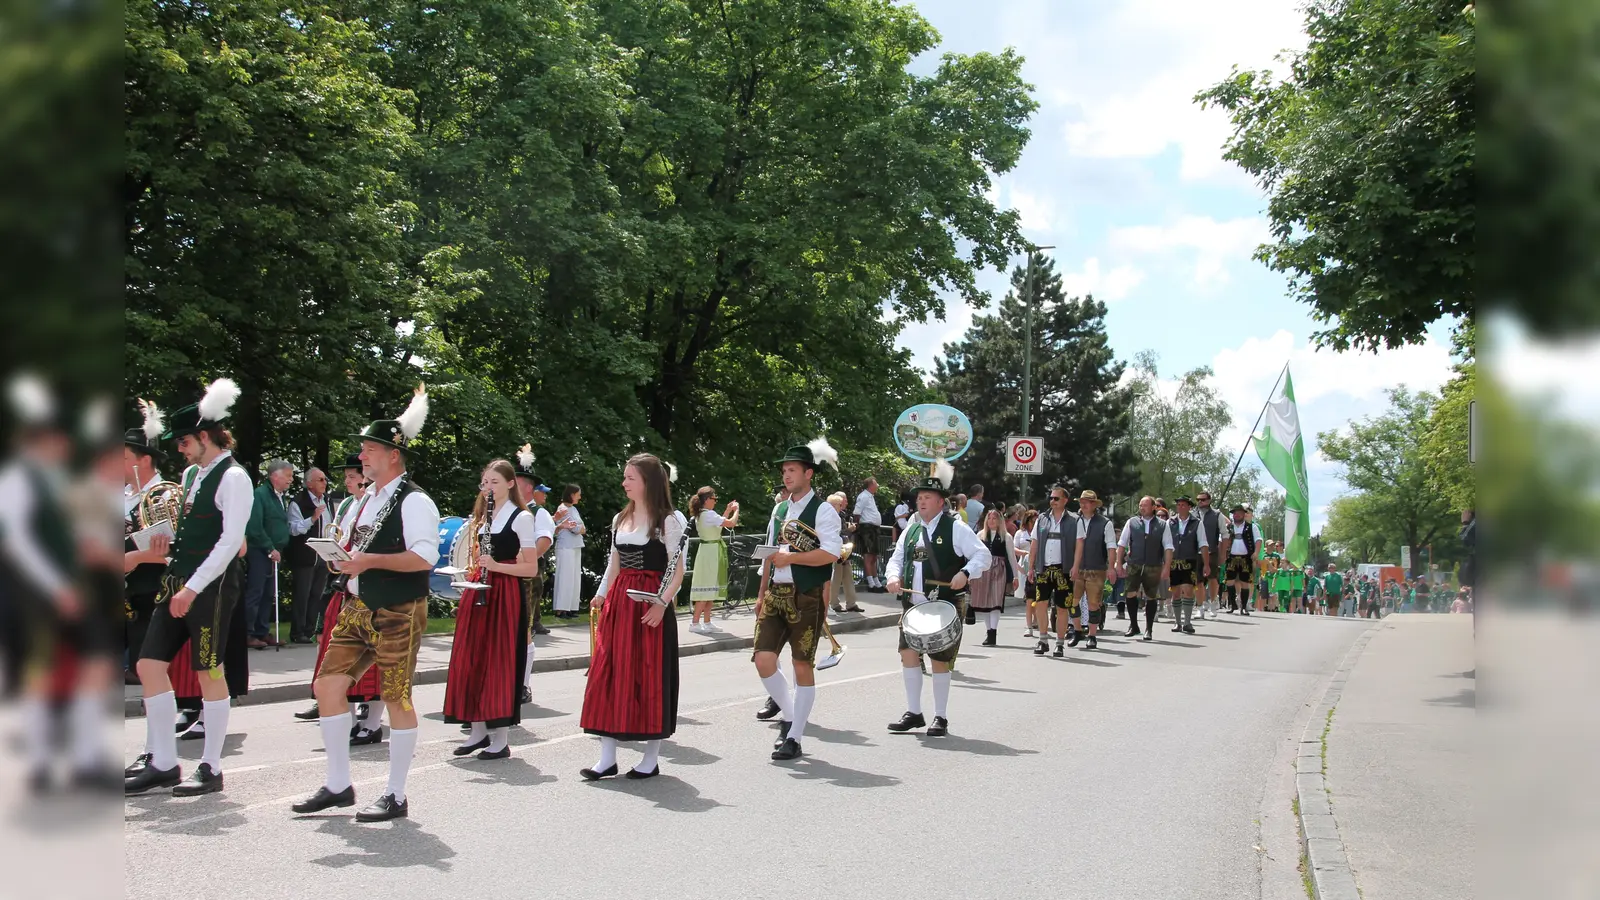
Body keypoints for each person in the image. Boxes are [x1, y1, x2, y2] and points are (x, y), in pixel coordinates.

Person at [292, 386, 440, 822]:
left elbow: (425, 557)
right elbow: (356, 546)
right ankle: (339, 784)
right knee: (328, 686)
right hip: (358, 605)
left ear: (393, 454)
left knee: (396, 697)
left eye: (370, 449)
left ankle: (396, 793)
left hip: (398, 608)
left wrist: (369, 560)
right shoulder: (367, 498)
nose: (362, 456)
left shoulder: (414, 499)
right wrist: (337, 551)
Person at [125, 378, 250, 797]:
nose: (179, 449)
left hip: (211, 587)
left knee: (208, 671)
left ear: (203, 436)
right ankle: (162, 761)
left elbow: (231, 542)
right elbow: (194, 534)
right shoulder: (195, 473)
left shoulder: (235, 478)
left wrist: (193, 588)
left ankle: (211, 767)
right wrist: (163, 545)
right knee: (148, 665)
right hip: (178, 580)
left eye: (183, 442)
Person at [578, 454, 688, 779]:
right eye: (625, 477)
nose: (624, 483)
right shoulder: (619, 519)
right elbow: (614, 566)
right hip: (619, 605)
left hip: (649, 604)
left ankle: (650, 759)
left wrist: (661, 604)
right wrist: (601, 593)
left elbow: (676, 570)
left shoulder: (668, 521)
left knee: (649, 675)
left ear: (648, 482)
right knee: (608, 675)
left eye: (630, 478)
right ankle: (607, 757)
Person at [443, 460, 542, 760]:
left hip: (504, 593)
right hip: (480, 591)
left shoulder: (521, 518)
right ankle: (477, 731)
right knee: (473, 657)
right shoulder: (485, 517)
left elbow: (530, 567)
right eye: (485, 482)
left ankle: (500, 737)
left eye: (494, 482)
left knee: (499, 661)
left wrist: (496, 565)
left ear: (510, 484)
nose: (488, 488)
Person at [751, 440, 842, 762]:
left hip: (806, 596)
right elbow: (769, 553)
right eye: (784, 470)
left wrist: (792, 558)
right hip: (776, 593)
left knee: (801, 663)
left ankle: (795, 736)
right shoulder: (779, 509)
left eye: (792, 470)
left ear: (809, 473)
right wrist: (761, 593)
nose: (786, 475)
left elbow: (830, 553)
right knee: (763, 659)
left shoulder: (824, 510)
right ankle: (789, 716)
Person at [884, 466, 990, 736]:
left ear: (941, 502)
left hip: (944, 603)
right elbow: (897, 558)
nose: (921, 501)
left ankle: (940, 717)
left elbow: (983, 556)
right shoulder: (911, 527)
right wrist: (893, 577)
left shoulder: (956, 528)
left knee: (939, 660)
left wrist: (965, 573)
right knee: (908, 655)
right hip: (913, 604)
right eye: (919, 497)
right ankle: (913, 712)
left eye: (927, 497)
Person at [292, 454, 383, 743]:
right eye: (347, 477)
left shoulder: (382, 503)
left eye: (352, 476)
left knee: (375, 659)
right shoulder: (349, 504)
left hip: (373, 590)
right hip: (346, 585)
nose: (348, 481)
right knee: (334, 648)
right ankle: (344, 711)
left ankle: (372, 721)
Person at [123, 402, 169, 683]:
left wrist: (135, 558)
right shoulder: (121, 494)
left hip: (151, 590)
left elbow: (174, 555)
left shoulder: (163, 496)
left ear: (144, 460)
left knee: (145, 671)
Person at [513, 446, 558, 685]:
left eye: (515, 481)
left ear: (528, 486)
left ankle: (524, 684)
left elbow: (544, 541)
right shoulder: (506, 509)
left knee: (524, 630)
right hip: (505, 575)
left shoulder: (538, 512)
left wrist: (522, 559)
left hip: (527, 578)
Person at [242, 459, 292, 648]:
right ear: (274, 476)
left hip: (274, 552)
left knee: (268, 594)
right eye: (288, 476)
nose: (291, 480)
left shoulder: (280, 496)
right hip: (260, 551)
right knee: (256, 591)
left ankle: (261, 631)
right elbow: (254, 526)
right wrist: (269, 548)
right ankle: (247, 633)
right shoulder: (260, 495)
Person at [285, 467, 331, 645]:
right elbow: (293, 529)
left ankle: (309, 631)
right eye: (320, 480)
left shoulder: (326, 500)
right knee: (302, 595)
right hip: (305, 555)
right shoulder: (298, 502)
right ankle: (297, 632)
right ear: (309, 483)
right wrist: (312, 519)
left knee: (316, 594)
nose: (324, 483)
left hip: (323, 554)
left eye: (325, 479)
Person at [1116, 496, 1172, 642]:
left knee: (1151, 596)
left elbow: (1168, 547)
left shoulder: (1162, 525)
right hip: (1134, 564)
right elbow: (1122, 544)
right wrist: (1118, 563)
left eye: (1145, 505)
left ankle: (1149, 629)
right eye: (1140, 505)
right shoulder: (1132, 522)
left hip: (1153, 565)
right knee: (1130, 593)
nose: (1142, 508)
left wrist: (1166, 567)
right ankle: (1133, 625)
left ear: (1154, 507)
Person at [1030, 486, 1076, 656]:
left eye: (1056, 498)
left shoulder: (1073, 520)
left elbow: (1079, 545)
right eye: (1051, 498)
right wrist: (1031, 566)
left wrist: (1075, 566)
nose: (1053, 501)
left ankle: (1060, 643)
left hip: (1063, 569)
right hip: (1044, 567)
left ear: (1065, 500)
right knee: (1040, 604)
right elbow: (1034, 543)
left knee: (1062, 607)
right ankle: (1043, 640)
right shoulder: (1042, 518)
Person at [1068, 490, 1116, 650]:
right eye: (1081, 501)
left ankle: (1092, 635)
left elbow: (1111, 547)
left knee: (1093, 603)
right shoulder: (1074, 521)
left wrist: (1111, 568)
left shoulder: (1105, 523)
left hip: (1097, 568)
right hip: (1077, 568)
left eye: (1087, 502)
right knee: (1072, 601)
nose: (1083, 504)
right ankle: (1077, 630)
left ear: (1094, 504)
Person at [688, 486, 740, 632]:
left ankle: (706, 621)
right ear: (706, 500)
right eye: (713, 499)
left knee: (710, 587)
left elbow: (719, 524)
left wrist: (728, 510)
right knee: (705, 587)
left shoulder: (705, 514)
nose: (715, 501)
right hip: (709, 552)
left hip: (709, 550)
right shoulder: (708, 515)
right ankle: (695, 623)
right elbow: (730, 523)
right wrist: (736, 511)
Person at [969, 507, 1017, 646]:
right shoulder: (980, 535)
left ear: (999, 520)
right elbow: (974, 555)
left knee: (995, 601)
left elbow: (1011, 557)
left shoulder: (1006, 537)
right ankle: (988, 631)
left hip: (998, 570)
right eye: (989, 518)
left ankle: (993, 632)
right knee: (985, 602)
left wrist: (1015, 576)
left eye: (994, 518)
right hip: (983, 570)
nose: (991, 521)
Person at [1164, 497, 1210, 634]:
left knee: (1188, 590)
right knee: (1175, 592)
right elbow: (1165, 542)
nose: (1180, 507)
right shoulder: (1169, 522)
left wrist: (1206, 564)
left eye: (1183, 505)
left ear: (1189, 507)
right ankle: (1177, 622)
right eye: (1178, 505)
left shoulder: (1197, 523)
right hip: (1173, 560)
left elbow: (1203, 544)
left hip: (1189, 560)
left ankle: (1187, 622)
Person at [551, 484, 587, 620]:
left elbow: (582, 527)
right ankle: (561, 608)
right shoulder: (563, 508)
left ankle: (571, 607)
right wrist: (579, 528)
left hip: (576, 545)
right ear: (572, 494)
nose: (580, 497)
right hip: (565, 546)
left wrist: (580, 528)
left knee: (574, 578)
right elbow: (576, 528)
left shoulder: (574, 509)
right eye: (578, 494)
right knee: (565, 577)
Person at [827, 492, 866, 614]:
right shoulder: (831, 517)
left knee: (848, 577)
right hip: (837, 550)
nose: (844, 504)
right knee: (836, 577)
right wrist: (849, 530)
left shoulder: (841, 515)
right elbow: (836, 533)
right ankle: (833, 603)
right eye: (840, 503)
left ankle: (851, 603)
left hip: (844, 550)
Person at [1221, 504, 1261, 614]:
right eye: (1235, 513)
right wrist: (1223, 554)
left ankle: (1243, 607)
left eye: (1239, 513)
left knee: (1245, 582)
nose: (1236, 515)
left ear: (1244, 514)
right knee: (1229, 581)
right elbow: (1223, 540)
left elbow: (1258, 540)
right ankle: (1232, 605)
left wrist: (1256, 552)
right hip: (1231, 557)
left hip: (1246, 557)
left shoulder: (1251, 526)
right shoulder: (1229, 527)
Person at [1195, 491, 1223, 619]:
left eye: (1203, 500)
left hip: (1212, 551)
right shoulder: (1192, 514)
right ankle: (1200, 607)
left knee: (1212, 579)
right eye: (1198, 500)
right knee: (1198, 581)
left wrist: (1222, 554)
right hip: (1196, 552)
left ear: (1209, 500)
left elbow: (1225, 534)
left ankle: (1212, 603)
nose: (1200, 502)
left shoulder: (1217, 515)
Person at [854, 477, 884, 590]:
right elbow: (857, 513)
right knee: (868, 555)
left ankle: (877, 582)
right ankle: (871, 583)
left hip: (874, 528)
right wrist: (858, 528)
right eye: (876, 483)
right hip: (867, 528)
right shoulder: (863, 496)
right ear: (870, 485)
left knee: (874, 556)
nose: (877, 485)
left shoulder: (870, 497)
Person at [1013, 509, 1037, 627]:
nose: (1034, 523)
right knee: (1027, 594)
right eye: (1032, 521)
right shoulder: (1020, 533)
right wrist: (1024, 553)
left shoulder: (1039, 532)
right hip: (1024, 563)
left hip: (1036, 562)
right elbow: (1014, 548)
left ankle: (1036, 618)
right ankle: (1033, 617)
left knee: (1035, 593)